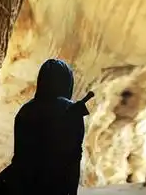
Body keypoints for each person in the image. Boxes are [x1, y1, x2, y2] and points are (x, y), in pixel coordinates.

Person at [6, 58, 89, 195]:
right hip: (57, 186)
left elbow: (19, 156)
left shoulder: (26, 110)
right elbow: (74, 157)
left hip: (27, 185)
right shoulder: (71, 109)